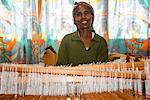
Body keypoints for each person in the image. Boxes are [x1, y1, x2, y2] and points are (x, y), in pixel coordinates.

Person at [56, 1, 108, 66]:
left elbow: (102, 70)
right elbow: (61, 69)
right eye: (78, 14)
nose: (83, 17)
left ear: (92, 17)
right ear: (74, 20)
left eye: (86, 13)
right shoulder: (67, 41)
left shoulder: (101, 42)